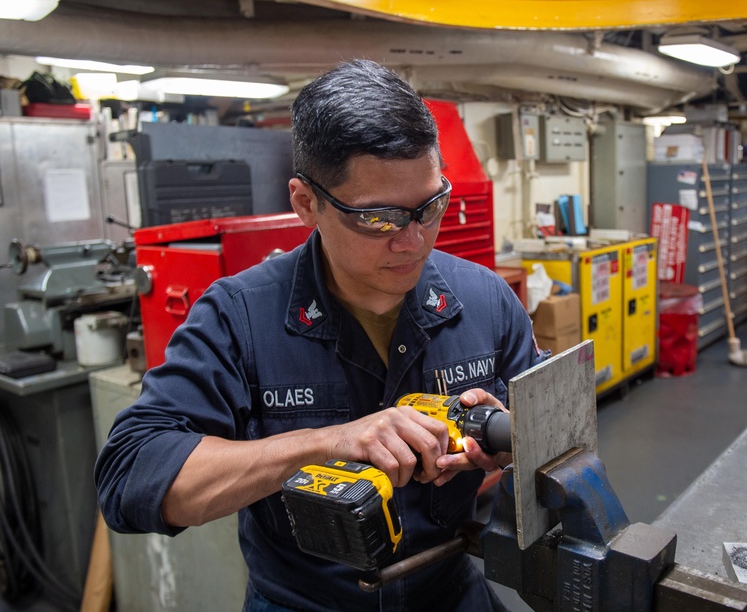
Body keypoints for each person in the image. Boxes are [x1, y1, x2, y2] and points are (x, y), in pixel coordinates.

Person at [96, 59, 543, 611]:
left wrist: (504, 440)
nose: (413, 241)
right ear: (307, 203)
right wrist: (328, 443)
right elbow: (132, 477)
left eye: (430, 207)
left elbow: (550, 436)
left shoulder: (485, 299)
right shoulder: (241, 317)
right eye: (379, 218)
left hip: (449, 593)